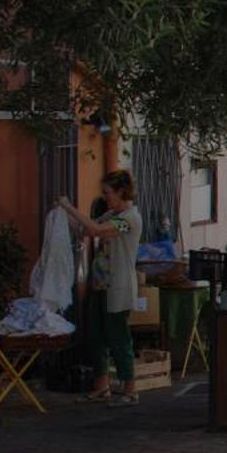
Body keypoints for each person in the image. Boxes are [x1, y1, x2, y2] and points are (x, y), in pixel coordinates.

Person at [58, 170, 144, 403]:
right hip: (99, 284)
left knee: (118, 337)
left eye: (108, 193)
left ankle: (130, 389)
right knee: (96, 336)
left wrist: (68, 207)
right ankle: (101, 385)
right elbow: (88, 229)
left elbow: (97, 231)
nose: (105, 197)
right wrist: (66, 219)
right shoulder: (112, 214)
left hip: (116, 287)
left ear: (121, 192)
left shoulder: (129, 219)